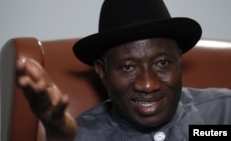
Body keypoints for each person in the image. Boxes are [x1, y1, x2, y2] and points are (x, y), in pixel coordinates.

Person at [17, 0, 231, 141]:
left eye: (162, 63)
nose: (148, 84)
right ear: (103, 73)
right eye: (128, 67)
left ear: (179, 61)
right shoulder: (81, 135)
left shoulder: (222, 113)